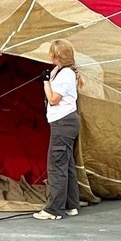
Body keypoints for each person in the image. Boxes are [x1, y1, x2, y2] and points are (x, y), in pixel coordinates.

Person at [34, 39, 83, 221]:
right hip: (64, 123)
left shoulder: (66, 74)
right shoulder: (60, 71)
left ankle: (54, 210)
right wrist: (49, 76)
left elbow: (54, 99)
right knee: (66, 164)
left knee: (56, 166)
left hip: (63, 124)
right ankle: (71, 204)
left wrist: (45, 83)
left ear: (57, 56)